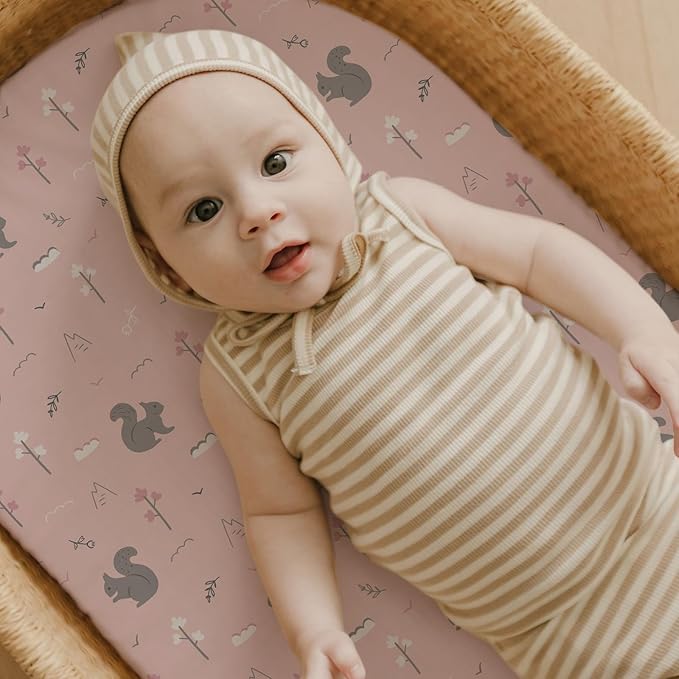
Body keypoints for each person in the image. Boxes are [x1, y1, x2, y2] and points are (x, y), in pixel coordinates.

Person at [91, 29, 679, 679]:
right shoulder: (237, 375)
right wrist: (313, 627)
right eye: (203, 208)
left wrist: (642, 332)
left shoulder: (402, 217)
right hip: (557, 634)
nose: (257, 212)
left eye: (276, 163)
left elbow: (540, 255)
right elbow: (280, 512)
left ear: (329, 141)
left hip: (657, 504)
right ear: (163, 264)